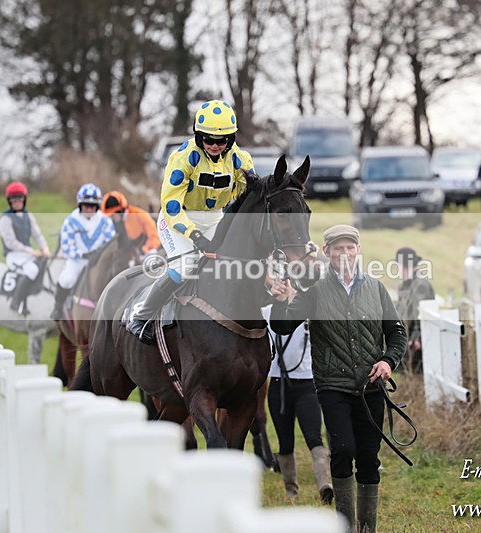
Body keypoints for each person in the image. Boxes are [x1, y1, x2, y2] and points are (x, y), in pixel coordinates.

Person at [268, 224, 407, 533]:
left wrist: (388, 361)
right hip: (333, 387)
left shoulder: (376, 288)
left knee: (368, 458)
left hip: (371, 387)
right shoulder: (315, 292)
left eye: (349, 247)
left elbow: (397, 333)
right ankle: (345, 525)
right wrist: (279, 300)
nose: (344, 253)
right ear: (327, 252)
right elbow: (282, 326)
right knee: (342, 451)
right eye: (338, 248)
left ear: (358, 250)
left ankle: (366, 528)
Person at [127, 99, 256, 344]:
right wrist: (195, 235)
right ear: (198, 136)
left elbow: (246, 195)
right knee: (186, 265)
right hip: (178, 219)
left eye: (222, 140)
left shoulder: (241, 160)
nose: (215, 145)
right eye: (208, 140)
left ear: (231, 139)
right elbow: (171, 206)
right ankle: (141, 316)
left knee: (234, 264)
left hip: (215, 217)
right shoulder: (183, 158)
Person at [262, 304, 333, 504]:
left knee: (313, 437)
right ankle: (291, 490)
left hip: (306, 384)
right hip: (278, 384)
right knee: (285, 441)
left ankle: (325, 485)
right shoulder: (267, 312)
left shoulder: (309, 308)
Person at [52, 183, 116, 319]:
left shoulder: (106, 221)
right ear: (80, 205)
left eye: (92, 206)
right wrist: (81, 254)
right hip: (78, 260)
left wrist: (99, 254)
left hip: (99, 261)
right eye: (86, 206)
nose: (89, 209)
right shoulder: (71, 221)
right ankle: (58, 307)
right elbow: (66, 245)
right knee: (66, 279)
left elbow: (110, 242)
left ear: (97, 206)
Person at [0, 181, 51, 314]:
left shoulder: (28, 216)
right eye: (14, 199)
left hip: (26, 253)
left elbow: (37, 235)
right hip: (13, 254)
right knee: (32, 270)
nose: (17, 202)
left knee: (45, 264)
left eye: (20, 199)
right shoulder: (5, 219)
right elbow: (10, 242)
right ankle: (16, 302)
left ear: (24, 199)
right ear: (9, 201)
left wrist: (45, 248)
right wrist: (31, 251)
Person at [394, 247, 435, 373]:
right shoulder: (407, 284)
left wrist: (416, 337)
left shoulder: (419, 285)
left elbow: (419, 314)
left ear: (405, 266)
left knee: (415, 373)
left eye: (398, 266)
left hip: (416, 342)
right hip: (408, 337)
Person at [100, 190, 161, 256]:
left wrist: (144, 250)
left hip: (148, 253)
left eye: (113, 214)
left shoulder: (140, 215)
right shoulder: (113, 223)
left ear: (121, 210)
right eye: (110, 216)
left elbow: (155, 237)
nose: (112, 218)